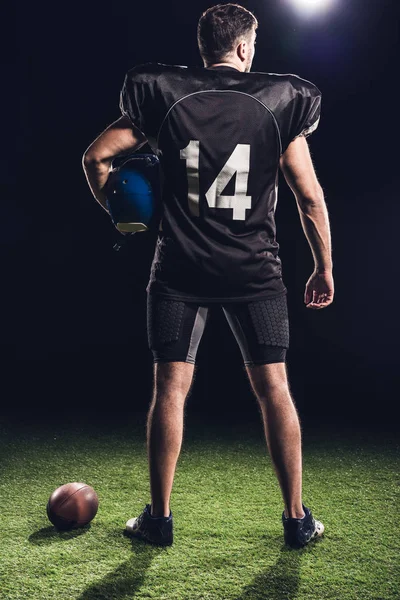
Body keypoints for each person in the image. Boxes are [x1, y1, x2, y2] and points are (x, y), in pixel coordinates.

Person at [82, 3, 333, 549]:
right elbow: (309, 197)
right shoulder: (278, 103)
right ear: (244, 47)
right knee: (275, 391)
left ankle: (160, 519)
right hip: (255, 270)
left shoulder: (165, 96)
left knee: (169, 391)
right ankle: (295, 520)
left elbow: (97, 158)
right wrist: (323, 268)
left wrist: (124, 211)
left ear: (205, 47)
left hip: (180, 268)